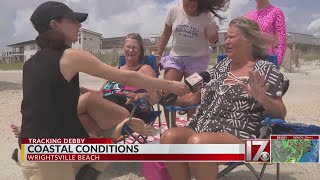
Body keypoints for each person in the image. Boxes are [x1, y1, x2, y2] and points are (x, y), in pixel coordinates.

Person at [17, 1, 189, 180]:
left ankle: (93, 163)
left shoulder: (30, 64)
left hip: (33, 147)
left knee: (96, 137)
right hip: (50, 157)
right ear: (55, 25)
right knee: (92, 115)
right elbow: (126, 78)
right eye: (73, 20)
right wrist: (170, 85)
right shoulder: (70, 56)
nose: (79, 25)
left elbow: (39, 103)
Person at [160, 17, 287, 180]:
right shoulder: (219, 67)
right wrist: (166, 97)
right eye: (226, 37)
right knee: (169, 137)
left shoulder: (266, 70)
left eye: (231, 37)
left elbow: (281, 113)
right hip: (200, 128)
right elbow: (192, 99)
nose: (226, 41)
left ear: (249, 40)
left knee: (199, 143)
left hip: (240, 135)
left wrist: (263, 98)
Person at [156, 0, 229, 127]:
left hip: (197, 60)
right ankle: (171, 128)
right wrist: (158, 54)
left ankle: (190, 130)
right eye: (186, 5)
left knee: (192, 98)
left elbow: (213, 41)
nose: (189, 8)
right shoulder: (173, 10)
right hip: (176, 58)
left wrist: (213, 35)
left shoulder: (206, 16)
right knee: (167, 92)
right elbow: (166, 34)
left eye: (193, 6)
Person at [77, 32, 161, 137]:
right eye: (128, 47)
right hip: (107, 111)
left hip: (130, 111)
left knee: (86, 99)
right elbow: (99, 94)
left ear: (140, 51)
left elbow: (156, 98)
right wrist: (79, 88)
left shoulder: (145, 69)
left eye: (134, 48)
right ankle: (102, 141)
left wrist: (139, 96)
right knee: (82, 112)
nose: (131, 50)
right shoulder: (117, 71)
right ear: (123, 48)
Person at [245, 0, 286, 66]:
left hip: (267, 61)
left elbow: (281, 42)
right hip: (249, 61)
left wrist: (275, 65)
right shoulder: (248, 15)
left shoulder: (276, 12)